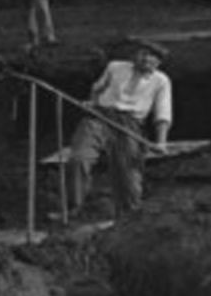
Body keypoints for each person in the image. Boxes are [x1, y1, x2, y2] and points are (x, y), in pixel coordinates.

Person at [68, 38, 172, 218]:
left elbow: (162, 113)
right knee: (79, 158)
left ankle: (129, 216)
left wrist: (161, 142)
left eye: (152, 57)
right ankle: (73, 208)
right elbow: (97, 87)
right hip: (100, 116)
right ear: (135, 55)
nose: (146, 60)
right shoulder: (115, 67)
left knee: (128, 173)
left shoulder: (161, 81)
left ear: (158, 62)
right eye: (143, 54)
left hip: (130, 124)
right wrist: (92, 102)